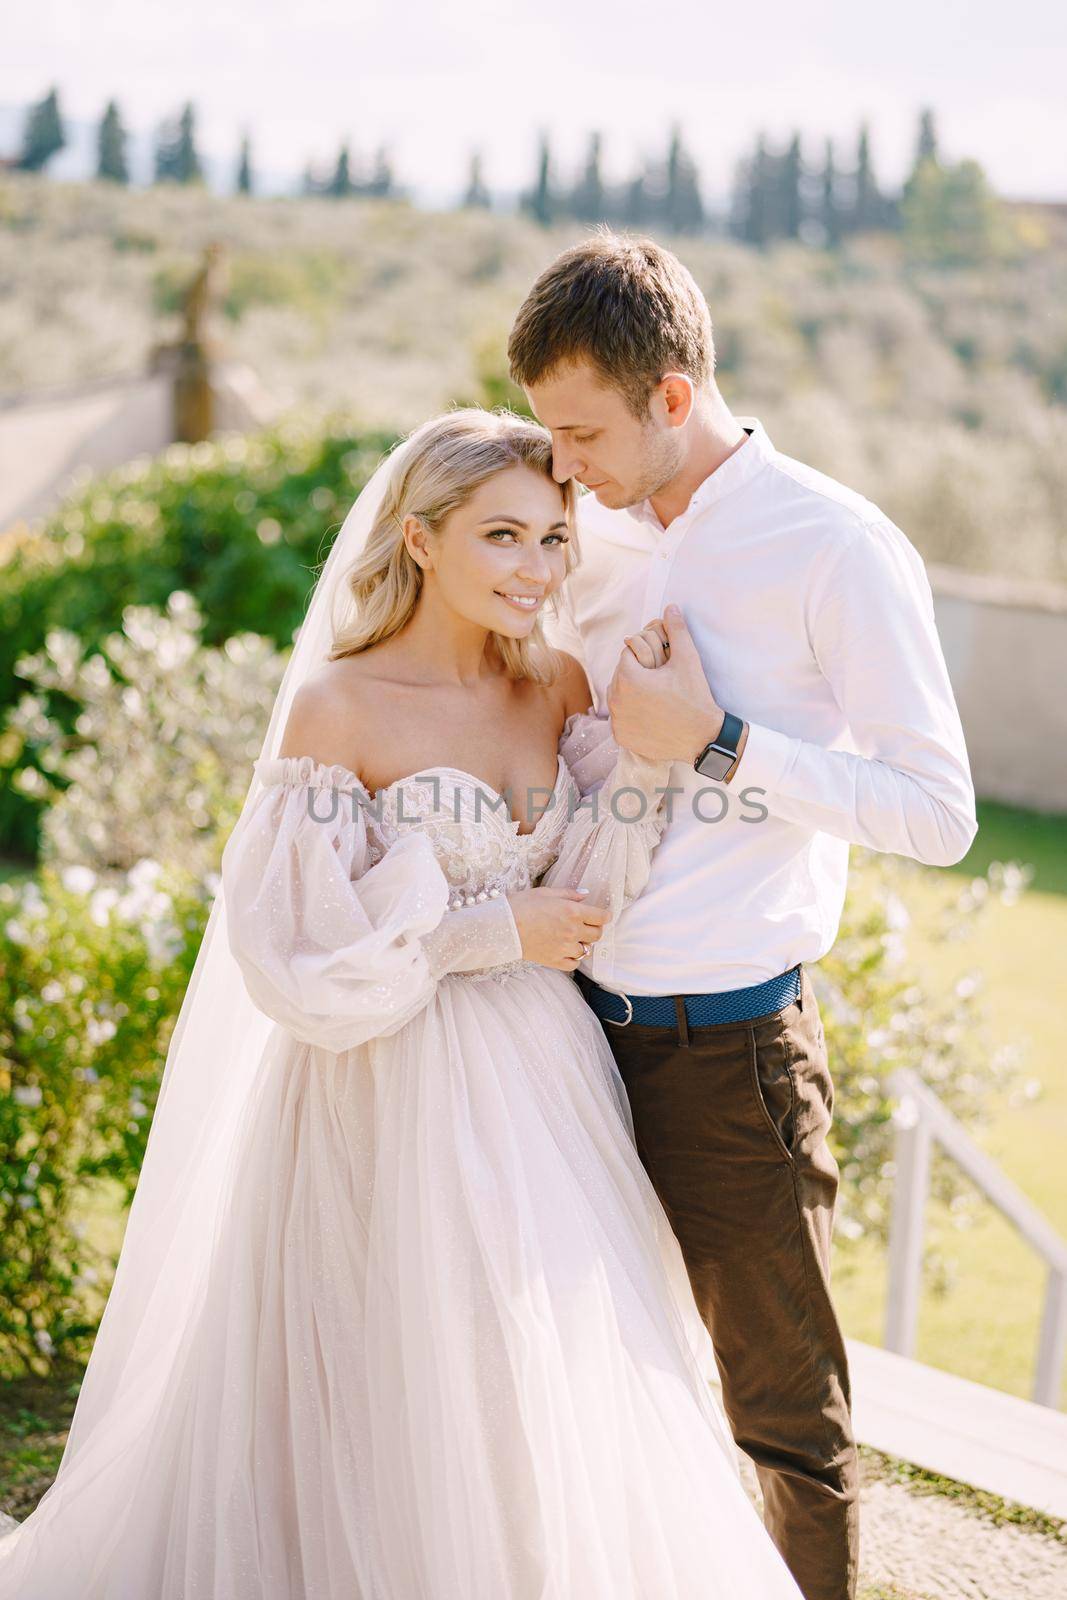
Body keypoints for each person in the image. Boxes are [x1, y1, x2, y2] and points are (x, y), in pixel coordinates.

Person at [0, 409, 805, 1598]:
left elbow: (589, 892)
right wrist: (491, 933)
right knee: (381, 1364)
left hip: (540, 1081)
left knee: (524, 1369)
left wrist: (648, 749)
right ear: (421, 541)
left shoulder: (559, 684)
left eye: (551, 537)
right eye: (502, 537)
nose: (537, 570)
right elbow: (298, 965)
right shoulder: (340, 707)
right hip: (376, 1082)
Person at [508, 232, 979, 1600]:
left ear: (672, 395)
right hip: (550, 1030)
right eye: (546, 434)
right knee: (573, 1379)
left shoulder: (834, 547)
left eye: (581, 432)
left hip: (727, 1060)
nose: (562, 465)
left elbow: (933, 812)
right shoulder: (574, 525)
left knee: (781, 1421)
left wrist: (717, 742)